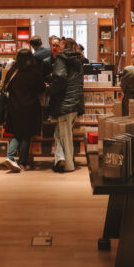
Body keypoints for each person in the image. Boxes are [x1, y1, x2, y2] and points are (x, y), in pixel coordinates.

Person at [2, 48, 46, 172]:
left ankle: (10, 157)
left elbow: (6, 87)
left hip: (14, 107)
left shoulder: (12, 72)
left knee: (16, 133)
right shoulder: (34, 72)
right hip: (30, 107)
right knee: (26, 135)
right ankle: (22, 163)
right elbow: (41, 88)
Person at [48, 37, 84, 172]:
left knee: (65, 136)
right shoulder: (78, 59)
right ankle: (59, 159)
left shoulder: (61, 58)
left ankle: (68, 165)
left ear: (65, 46)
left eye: (60, 45)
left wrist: (48, 90)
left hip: (65, 102)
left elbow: (60, 78)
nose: (58, 47)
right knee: (59, 133)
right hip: (75, 102)